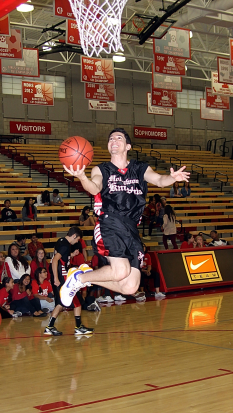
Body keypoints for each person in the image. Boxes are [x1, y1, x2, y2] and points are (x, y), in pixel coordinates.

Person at [60, 128, 189, 307]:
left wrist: (172, 178)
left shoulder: (139, 168)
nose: (113, 140)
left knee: (130, 286)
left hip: (132, 229)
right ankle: (78, 278)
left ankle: (79, 277)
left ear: (128, 146)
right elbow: (94, 188)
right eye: (111, 138)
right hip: (109, 222)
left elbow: (159, 180)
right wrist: (82, 176)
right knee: (120, 271)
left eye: (118, 138)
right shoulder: (101, 169)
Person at [44, 226, 94, 336]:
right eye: (77, 239)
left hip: (61, 276)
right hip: (63, 277)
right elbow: (55, 260)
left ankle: (50, 327)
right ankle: (78, 327)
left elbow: (61, 258)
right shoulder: (65, 245)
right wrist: (56, 278)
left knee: (61, 303)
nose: (77, 241)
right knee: (77, 301)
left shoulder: (60, 241)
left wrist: (72, 255)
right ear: (74, 236)